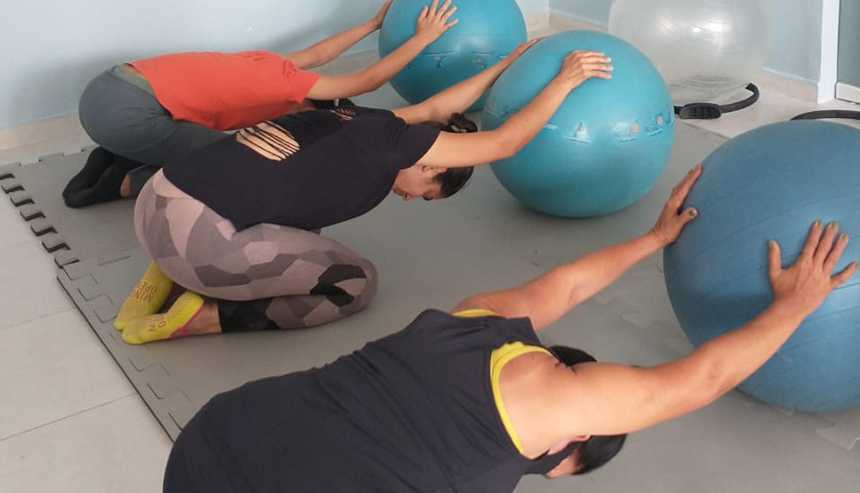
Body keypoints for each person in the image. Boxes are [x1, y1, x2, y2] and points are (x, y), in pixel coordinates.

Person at [161, 166, 860, 492]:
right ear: (571, 438)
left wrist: (654, 239)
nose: (537, 468)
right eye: (552, 467)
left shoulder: (483, 322)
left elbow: (569, 284)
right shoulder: (561, 407)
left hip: (220, 428)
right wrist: (796, 304)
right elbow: (703, 378)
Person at [115, 40, 616, 343]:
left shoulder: (362, 121)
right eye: (426, 193)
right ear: (434, 164)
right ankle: (203, 317)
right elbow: (505, 143)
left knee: (299, 227)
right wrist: (565, 81)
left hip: (156, 199)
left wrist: (506, 65)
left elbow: (436, 108)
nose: (410, 199)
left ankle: (160, 278)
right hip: (195, 238)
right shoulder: (393, 146)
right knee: (355, 283)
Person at [62, 0, 457, 208]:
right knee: (234, 161)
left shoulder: (270, 66)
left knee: (207, 140)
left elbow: (318, 54)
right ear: (303, 105)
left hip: (106, 88)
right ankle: (120, 182)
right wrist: (424, 38)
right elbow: (367, 81)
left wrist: (372, 24)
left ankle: (118, 155)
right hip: (123, 115)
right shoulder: (282, 86)